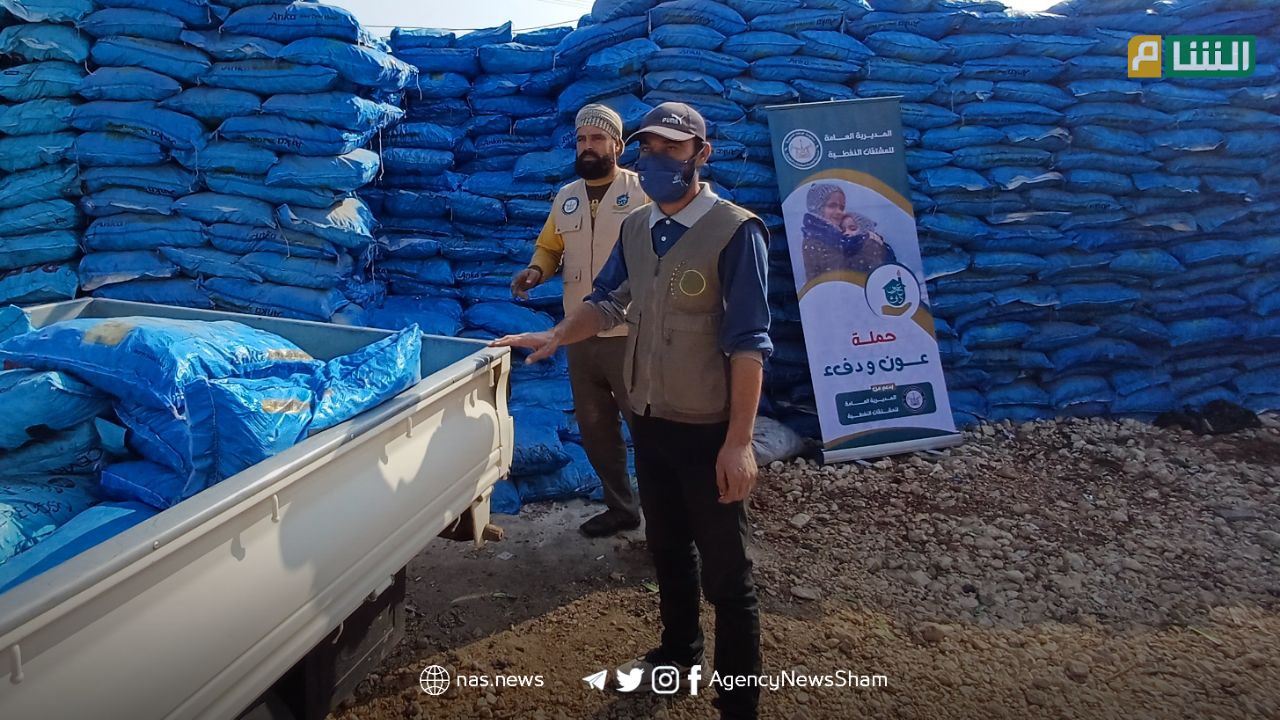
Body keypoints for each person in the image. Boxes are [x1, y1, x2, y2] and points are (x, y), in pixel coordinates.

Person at [493, 102, 771, 720]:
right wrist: (557, 335)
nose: (658, 159)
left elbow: (749, 344)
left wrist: (740, 442)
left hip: (707, 433)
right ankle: (677, 656)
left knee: (728, 576)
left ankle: (739, 705)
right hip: (651, 420)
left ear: (702, 153)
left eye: (672, 149)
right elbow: (607, 301)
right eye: (650, 148)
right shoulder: (639, 227)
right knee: (669, 551)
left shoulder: (735, 230)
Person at [510, 104, 647, 538]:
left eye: (597, 138)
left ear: (617, 145)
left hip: (631, 332)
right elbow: (550, 249)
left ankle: (667, 519)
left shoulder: (642, 192)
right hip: (580, 334)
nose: (588, 147)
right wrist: (536, 271)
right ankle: (621, 508)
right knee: (595, 428)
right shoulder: (566, 196)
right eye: (582, 139)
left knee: (646, 428)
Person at [799, 183, 895, 282]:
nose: (841, 212)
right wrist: (869, 244)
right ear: (817, 208)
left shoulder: (835, 238)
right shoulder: (815, 239)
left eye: (842, 207)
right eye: (832, 205)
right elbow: (842, 272)